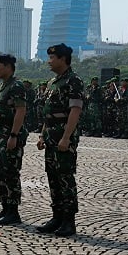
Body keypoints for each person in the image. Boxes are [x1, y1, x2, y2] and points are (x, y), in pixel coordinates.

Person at [36, 43, 84, 237]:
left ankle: (68, 221)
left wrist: (66, 137)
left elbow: (75, 111)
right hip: (51, 136)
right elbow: (49, 113)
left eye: (52, 58)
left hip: (64, 136)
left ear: (63, 59)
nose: (49, 61)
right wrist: (42, 135)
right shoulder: (53, 82)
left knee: (65, 178)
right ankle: (56, 216)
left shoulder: (74, 81)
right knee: (53, 178)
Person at [0, 54, 28, 225]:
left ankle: (13, 211)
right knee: (1, 173)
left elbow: (20, 111)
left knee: (11, 173)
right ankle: (5, 207)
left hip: (10, 136)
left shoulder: (16, 86)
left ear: (9, 67)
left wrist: (14, 135)